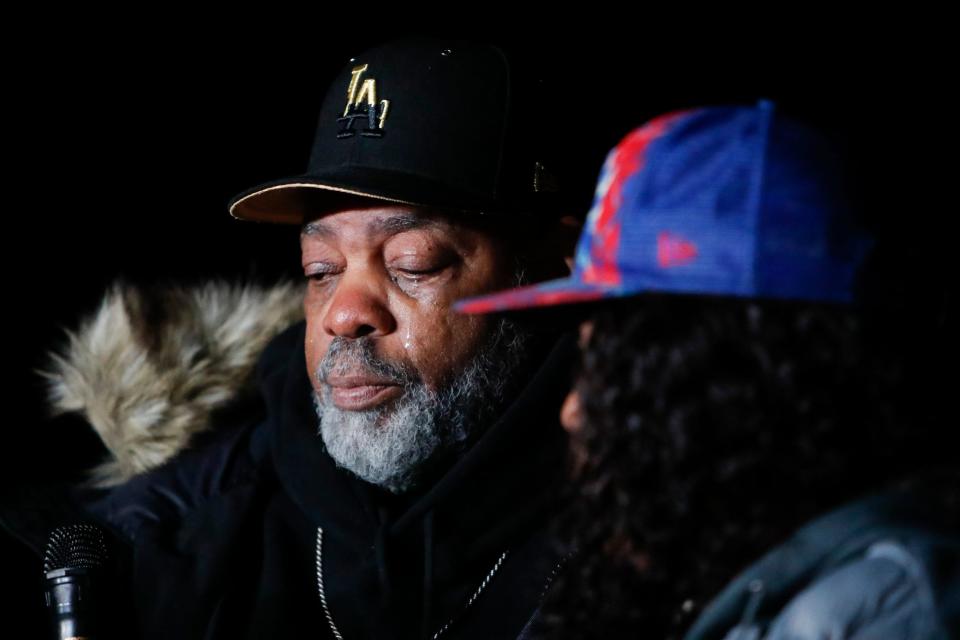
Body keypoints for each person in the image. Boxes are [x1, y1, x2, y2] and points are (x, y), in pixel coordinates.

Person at [0, 38, 583, 639]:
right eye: (320, 271)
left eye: (415, 263)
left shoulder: (652, 527)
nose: (344, 314)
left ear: (557, 269)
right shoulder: (175, 544)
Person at [456, 102, 960, 638]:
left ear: (750, 379)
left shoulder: (886, 609)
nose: (573, 411)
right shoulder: (698, 578)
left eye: (618, 374)